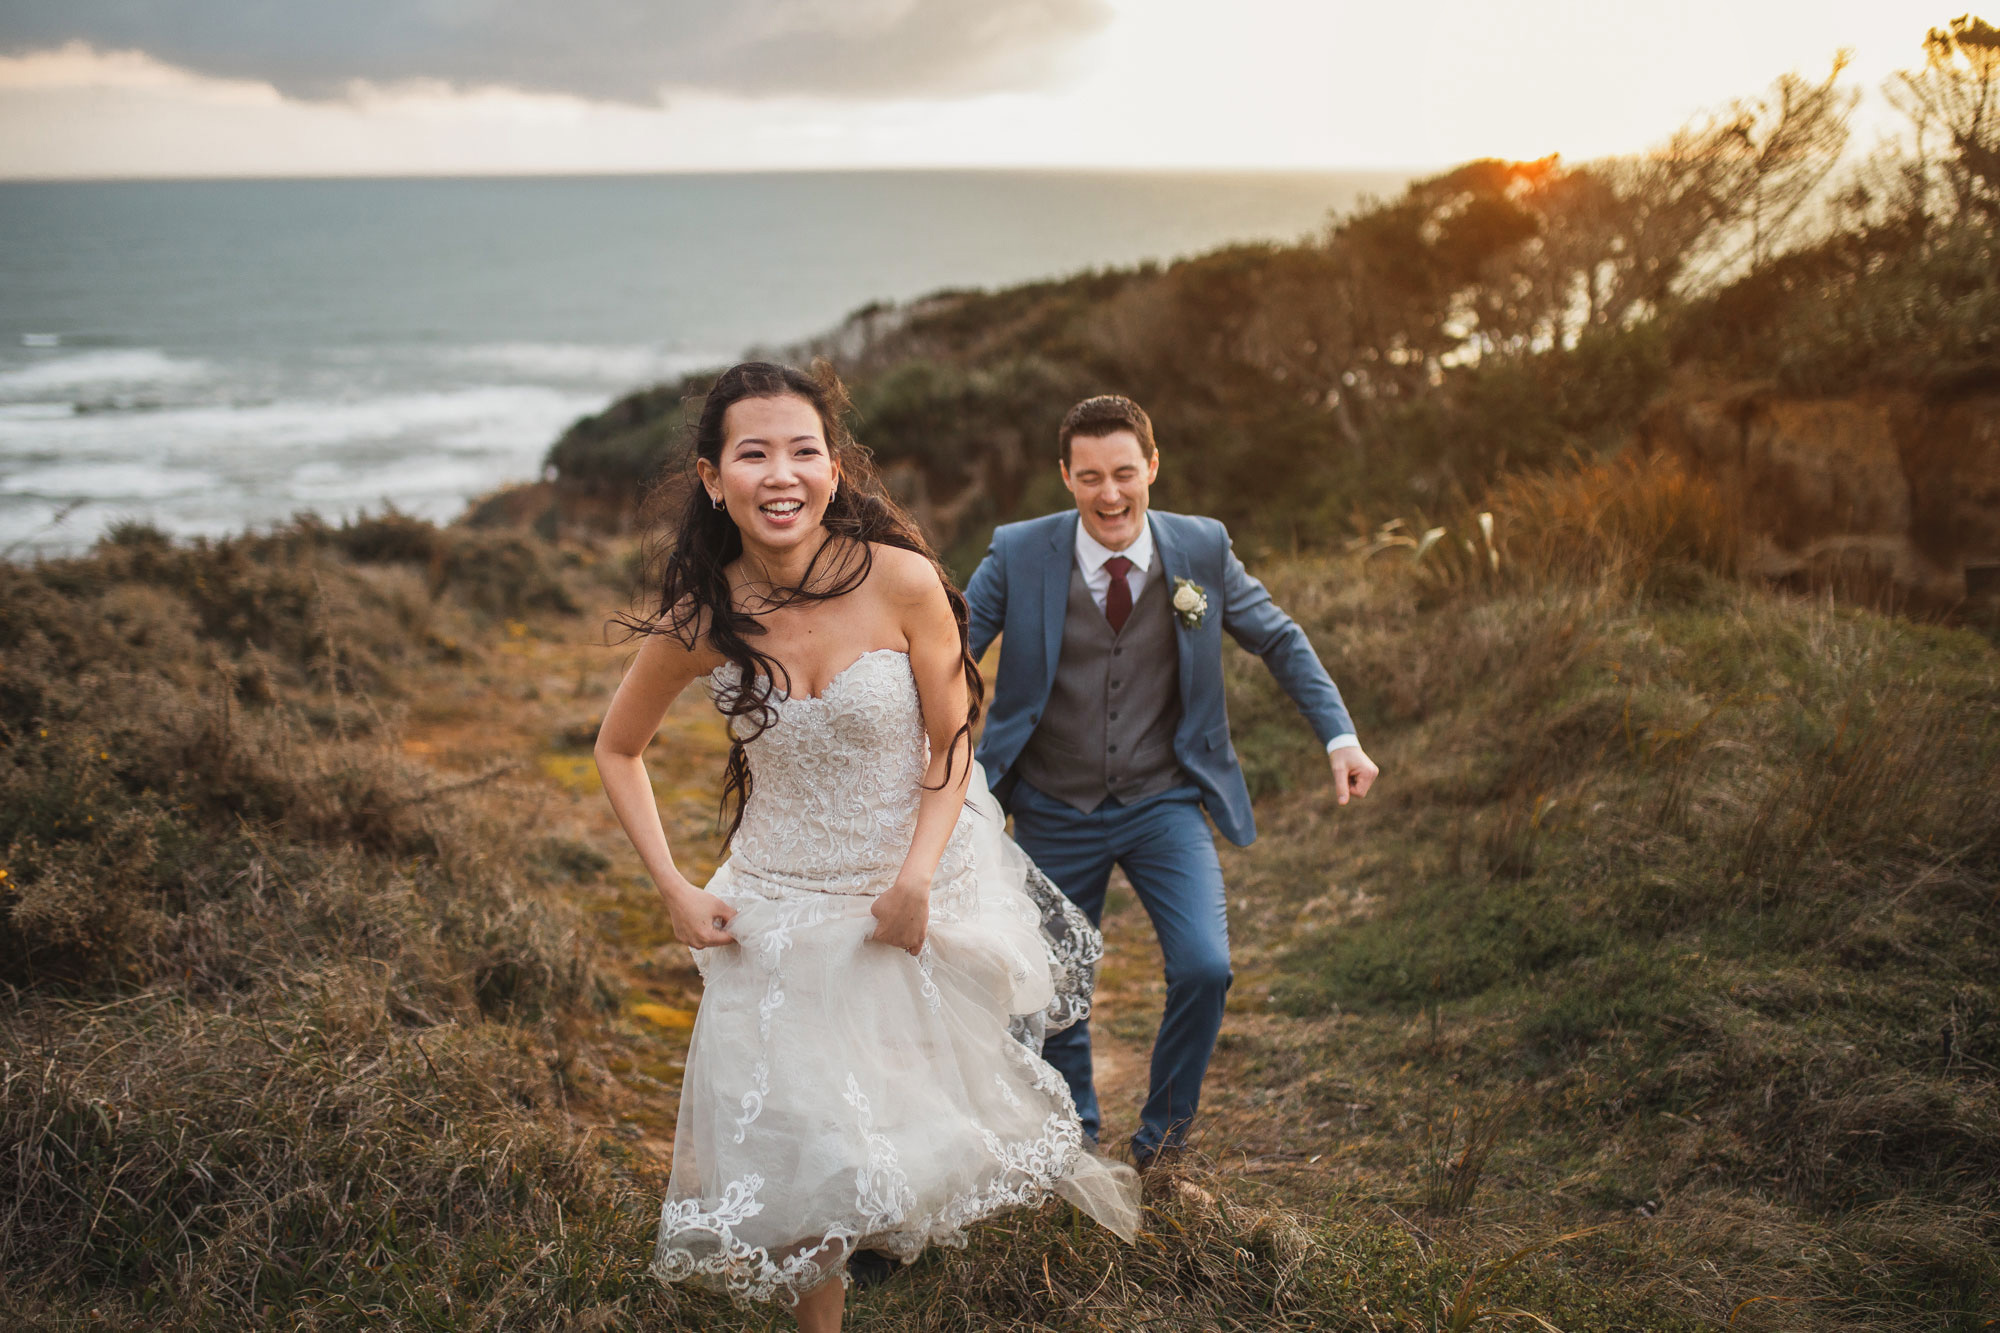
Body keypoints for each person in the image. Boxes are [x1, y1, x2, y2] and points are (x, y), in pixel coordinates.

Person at [592, 362, 1138, 1331]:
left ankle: (877, 1225)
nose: (781, 473)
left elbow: (950, 734)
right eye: (752, 453)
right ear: (714, 480)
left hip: (906, 874)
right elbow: (617, 746)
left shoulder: (901, 580)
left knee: (897, 1115)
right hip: (777, 897)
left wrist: (916, 877)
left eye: (803, 451)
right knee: (806, 1142)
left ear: (834, 470)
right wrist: (672, 885)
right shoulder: (702, 618)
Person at [964, 394, 1380, 1170]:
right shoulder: (1020, 552)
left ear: (1153, 466)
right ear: (1065, 476)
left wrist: (1340, 736)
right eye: (1090, 477)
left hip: (1164, 803)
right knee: (1057, 988)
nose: (1110, 494)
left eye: (1125, 473)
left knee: (1204, 966)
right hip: (1052, 804)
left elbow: (1280, 639)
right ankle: (1075, 1143)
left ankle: (1163, 1146)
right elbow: (946, 646)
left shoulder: (1203, 547)